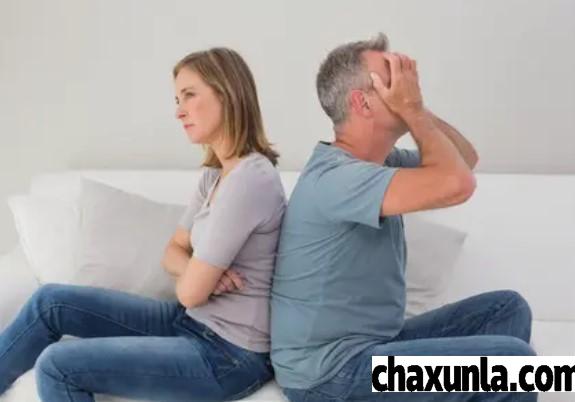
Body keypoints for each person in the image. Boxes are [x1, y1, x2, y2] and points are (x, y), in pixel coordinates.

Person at [0, 47, 286, 401]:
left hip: (228, 355)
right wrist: (197, 270)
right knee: (50, 302)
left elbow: (190, 292)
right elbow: (172, 252)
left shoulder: (250, 179)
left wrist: (198, 277)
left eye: (189, 95)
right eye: (177, 99)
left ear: (226, 94)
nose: (179, 111)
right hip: (190, 321)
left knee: (57, 365)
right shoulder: (215, 176)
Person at [270, 33, 536, 401]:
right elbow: (458, 185)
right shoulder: (337, 178)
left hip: (375, 345)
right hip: (329, 374)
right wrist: (411, 109)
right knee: (511, 361)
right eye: (392, 79)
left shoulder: (380, 162)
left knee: (506, 309)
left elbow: (465, 161)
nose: (405, 85)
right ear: (362, 102)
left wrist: (417, 108)